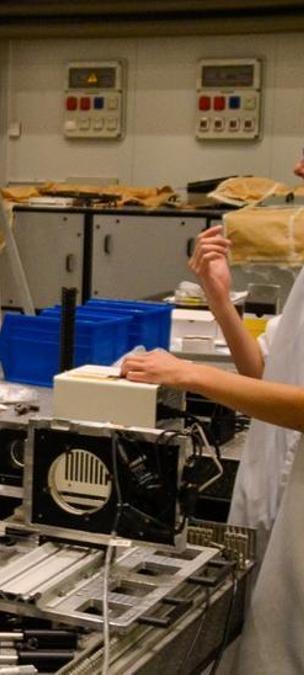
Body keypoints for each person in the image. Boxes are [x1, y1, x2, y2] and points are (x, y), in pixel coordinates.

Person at [121, 157, 304, 672]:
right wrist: (221, 302)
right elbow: (272, 379)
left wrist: (191, 375)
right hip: (272, 494)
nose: (298, 166)